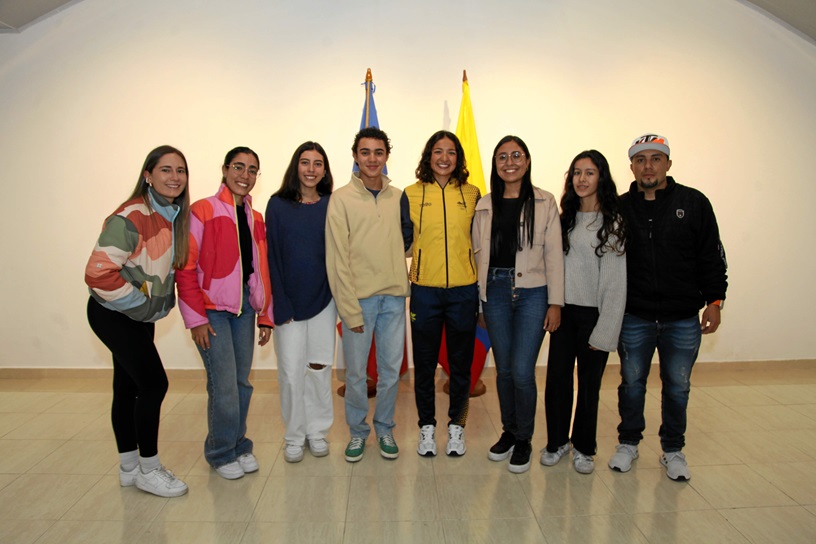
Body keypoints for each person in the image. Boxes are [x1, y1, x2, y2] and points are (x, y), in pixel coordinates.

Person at [608, 134, 727, 481]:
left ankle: (673, 449)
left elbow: (711, 256)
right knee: (632, 383)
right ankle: (628, 443)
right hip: (635, 315)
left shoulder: (693, 203)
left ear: (668, 164)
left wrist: (715, 301)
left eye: (655, 159)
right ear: (631, 167)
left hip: (682, 317)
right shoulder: (619, 208)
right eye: (640, 160)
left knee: (677, 386)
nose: (648, 166)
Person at [85, 145, 191, 498]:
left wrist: (146, 309)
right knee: (154, 385)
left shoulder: (172, 215)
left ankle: (129, 467)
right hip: (114, 314)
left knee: (127, 388)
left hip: (135, 316)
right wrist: (142, 306)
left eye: (180, 171)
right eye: (166, 170)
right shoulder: (131, 216)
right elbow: (98, 273)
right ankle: (149, 468)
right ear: (148, 175)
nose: (174, 177)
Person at [176, 146, 273, 480]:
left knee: (241, 383)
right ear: (225, 169)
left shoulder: (255, 218)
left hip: (245, 309)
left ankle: (238, 444)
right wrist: (196, 319)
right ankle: (220, 453)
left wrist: (265, 314)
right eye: (238, 167)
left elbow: (262, 269)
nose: (245, 175)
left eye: (252, 170)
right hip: (212, 312)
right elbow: (185, 267)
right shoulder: (202, 210)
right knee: (224, 385)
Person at [472, 135, 564, 473]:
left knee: (523, 371)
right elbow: (475, 257)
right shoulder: (483, 205)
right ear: (495, 163)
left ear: (526, 161)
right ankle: (509, 431)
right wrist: (480, 303)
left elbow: (554, 255)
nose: (509, 162)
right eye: (502, 157)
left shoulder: (545, 201)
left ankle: (524, 437)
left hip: (533, 293)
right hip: (495, 291)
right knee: (505, 370)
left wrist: (555, 303)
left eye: (516, 155)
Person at [325, 127, 410, 463]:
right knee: (357, 374)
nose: (372, 159)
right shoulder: (341, 199)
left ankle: (385, 427)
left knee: (390, 372)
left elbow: (408, 242)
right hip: (358, 301)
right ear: (355, 156)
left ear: (386, 156)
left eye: (378, 152)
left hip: (393, 299)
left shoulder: (399, 197)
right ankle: (358, 433)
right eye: (365, 152)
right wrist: (349, 309)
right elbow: (337, 257)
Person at [542, 150, 626, 475]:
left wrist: (605, 331)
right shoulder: (563, 221)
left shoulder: (612, 224)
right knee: (557, 381)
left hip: (595, 317)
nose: (582, 179)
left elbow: (615, 285)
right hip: (563, 313)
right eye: (576, 172)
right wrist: (553, 305)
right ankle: (557, 442)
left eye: (589, 173)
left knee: (589, 386)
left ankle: (584, 448)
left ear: (601, 177)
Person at [401, 130, 481, 457]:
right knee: (424, 364)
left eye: (451, 152)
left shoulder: (473, 194)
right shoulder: (411, 193)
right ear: (428, 156)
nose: (444, 158)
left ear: (458, 158)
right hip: (424, 292)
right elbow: (402, 241)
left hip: (463, 291)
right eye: (438, 151)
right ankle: (427, 428)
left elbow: (480, 241)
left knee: (461, 366)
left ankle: (457, 427)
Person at [265, 142, 336, 463]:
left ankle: (317, 431)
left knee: (319, 368)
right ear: (296, 166)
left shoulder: (333, 204)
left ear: (325, 170)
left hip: (324, 300)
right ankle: (294, 436)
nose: (311, 169)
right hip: (288, 304)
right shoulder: (277, 205)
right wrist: (280, 303)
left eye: (317, 163)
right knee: (292, 373)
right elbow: (272, 257)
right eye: (305, 162)